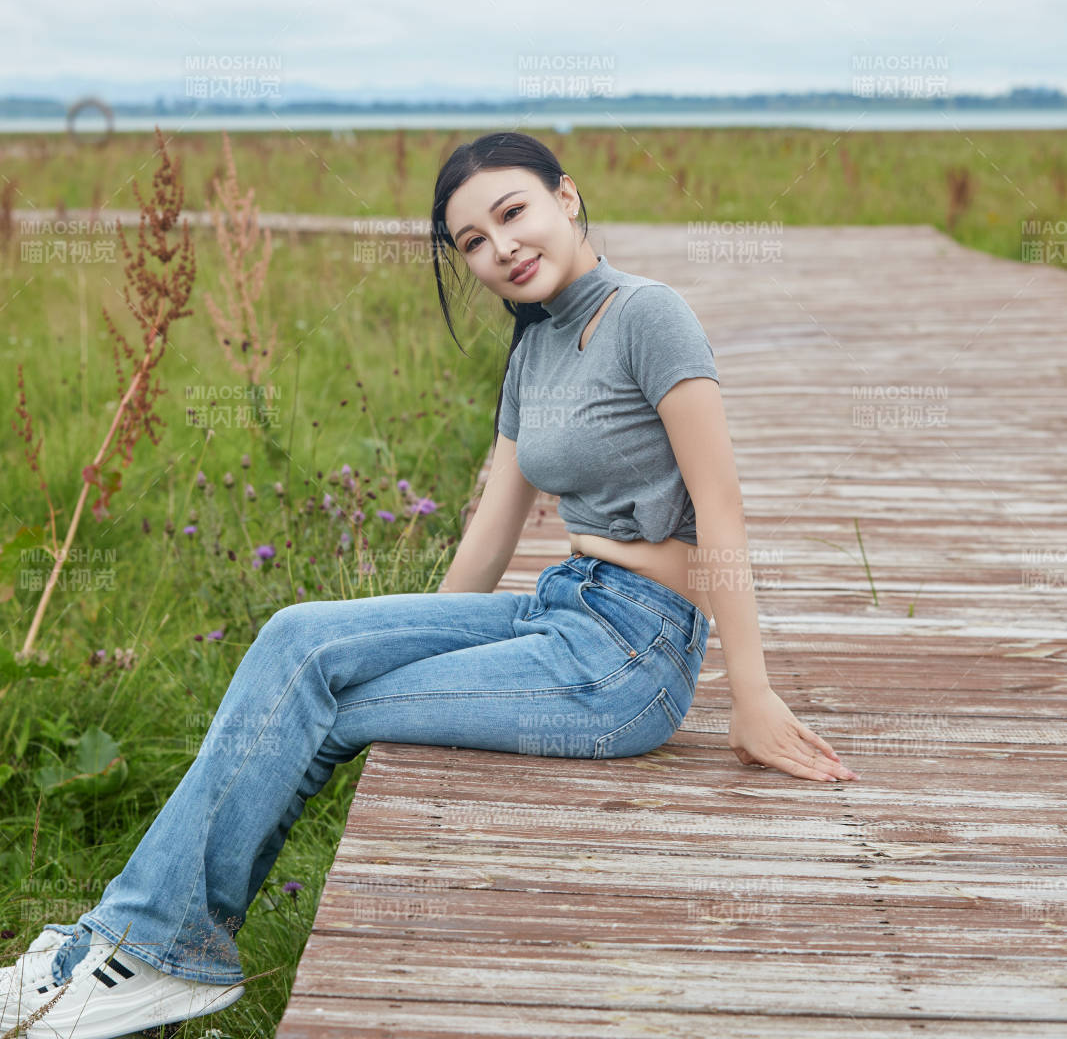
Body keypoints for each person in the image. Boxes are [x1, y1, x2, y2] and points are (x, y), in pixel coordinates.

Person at [1, 130, 856, 1038]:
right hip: (562, 606)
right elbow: (491, 528)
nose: (500, 249)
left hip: (629, 662)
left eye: (512, 213)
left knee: (328, 703)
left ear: (565, 199)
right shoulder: (532, 351)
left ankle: (145, 956)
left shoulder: (650, 316)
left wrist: (750, 696)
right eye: (473, 243)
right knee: (298, 638)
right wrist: (412, 631)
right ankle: (147, 947)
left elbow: (721, 511)